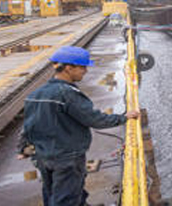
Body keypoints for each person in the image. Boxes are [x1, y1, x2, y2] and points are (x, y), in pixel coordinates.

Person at [19, 45, 140, 206]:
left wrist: (22, 148)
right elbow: (94, 119)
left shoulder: (36, 94)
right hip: (66, 158)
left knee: (52, 193)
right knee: (67, 199)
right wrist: (123, 117)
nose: (85, 71)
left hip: (43, 156)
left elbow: (28, 125)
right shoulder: (67, 94)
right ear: (68, 68)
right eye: (82, 67)